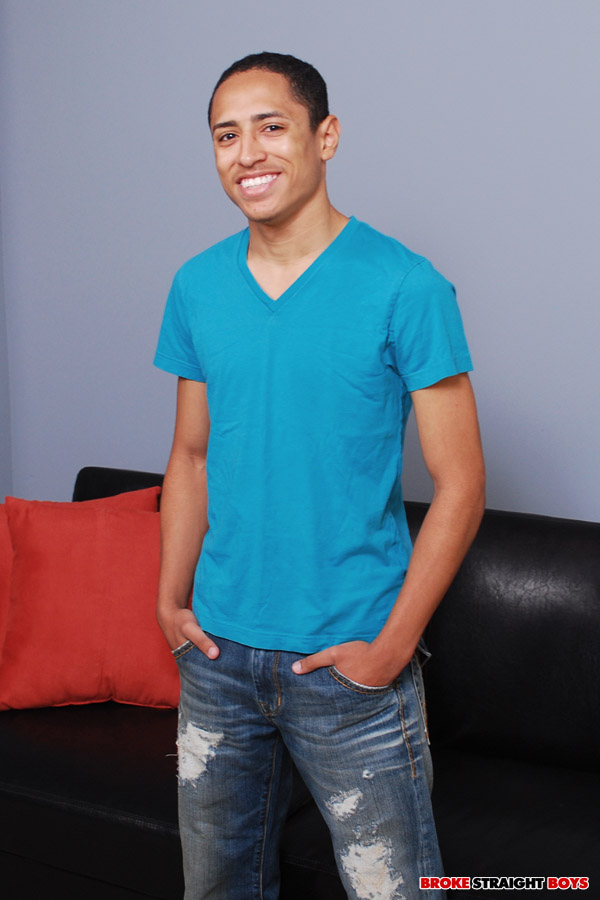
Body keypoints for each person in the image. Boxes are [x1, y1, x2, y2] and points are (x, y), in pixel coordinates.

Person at [154, 51, 485, 900]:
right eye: (226, 135)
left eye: (271, 127)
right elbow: (191, 455)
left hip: (348, 665)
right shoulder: (197, 285)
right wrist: (169, 600)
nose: (247, 153)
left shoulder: (405, 285)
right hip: (218, 657)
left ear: (325, 136)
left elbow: (461, 484)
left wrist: (393, 647)